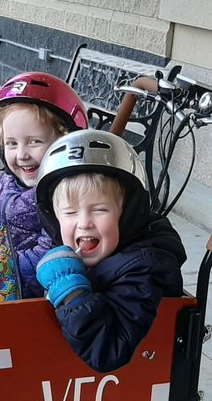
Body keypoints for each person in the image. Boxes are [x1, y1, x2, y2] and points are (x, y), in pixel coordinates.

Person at [34, 129, 186, 373]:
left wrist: (71, 293)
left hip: (122, 388)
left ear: (127, 216)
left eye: (100, 210)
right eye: (70, 212)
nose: (83, 222)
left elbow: (108, 349)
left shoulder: (144, 268)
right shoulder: (89, 250)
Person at [0, 72, 88, 297]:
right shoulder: (6, 183)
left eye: (34, 142)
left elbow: (50, 252)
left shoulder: (65, 196)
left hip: (34, 291)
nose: (21, 155)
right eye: (11, 143)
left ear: (66, 142)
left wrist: (1, 269)